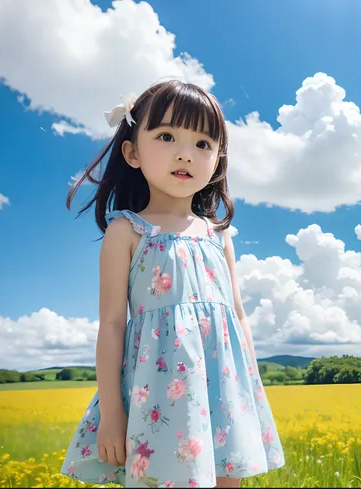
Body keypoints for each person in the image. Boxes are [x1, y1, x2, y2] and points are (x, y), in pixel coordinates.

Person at [60, 80, 285, 488]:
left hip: (224, 388)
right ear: (131, 152)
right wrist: (112, 414)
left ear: (217, 161)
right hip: (159, 392)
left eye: (203, 143)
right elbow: (111, 324)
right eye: (166, 136)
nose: (186, 152)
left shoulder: (219, 234)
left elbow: (236, 315)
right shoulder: (127, 231)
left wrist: (250, 388)